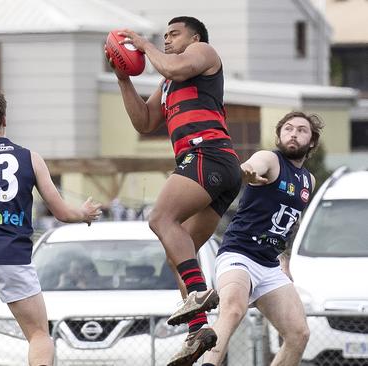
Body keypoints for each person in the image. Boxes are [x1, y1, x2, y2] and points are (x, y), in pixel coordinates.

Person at [106, 16, 243, 364]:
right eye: (163, 35)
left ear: (194, 36)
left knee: (160, 219)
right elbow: (145, 121)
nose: (166, 40)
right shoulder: (169, 80)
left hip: (206, 154)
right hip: (211, 165)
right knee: (179, 251)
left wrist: (144, 43)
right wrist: (123, 78)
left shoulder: (202, 53)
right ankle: (198, 328)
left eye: (173, 34)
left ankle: (197, 294)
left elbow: (174, 67)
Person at [0, 89, 102, 366]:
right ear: (4, 119)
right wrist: (84, 213)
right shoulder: (30, 158)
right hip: (13, 259)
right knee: (39, 336)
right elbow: (61, 212)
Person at [202, 112, 323, 366]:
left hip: (268, 266)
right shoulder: (271, 159)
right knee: (233, 309)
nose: (293, 133)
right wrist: (247, 171)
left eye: (302, 130)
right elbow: (253, 165)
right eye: (288, 128)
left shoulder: (308, 181)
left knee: (299, 334)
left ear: (312, 141)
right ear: (279, 135)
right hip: (239, 254)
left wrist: (283, 259)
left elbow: (288, 223)